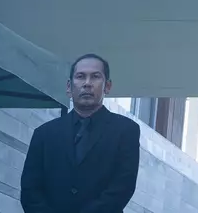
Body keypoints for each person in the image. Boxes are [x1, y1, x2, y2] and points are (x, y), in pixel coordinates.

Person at [20, 54, 140, 213]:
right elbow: (30, 190)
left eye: (95, 76)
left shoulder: (126, 130)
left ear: (107, 86)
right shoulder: (44, 134)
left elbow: (122, 187)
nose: (87, 83)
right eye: (80, 76)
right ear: (69, 87)